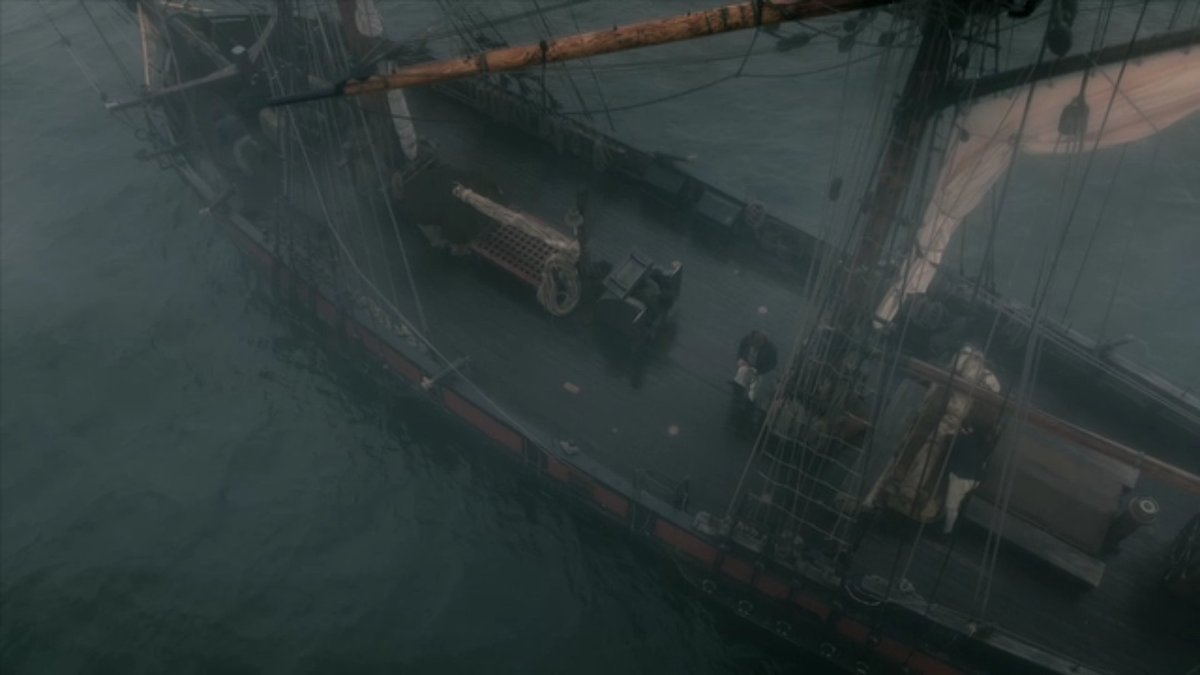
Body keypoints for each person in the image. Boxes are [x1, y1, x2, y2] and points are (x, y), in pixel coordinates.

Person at [941, 423, 990, 535]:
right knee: (954, 502)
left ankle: (946, 532)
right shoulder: (981, 442)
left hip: (960, 477)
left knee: (951, 506)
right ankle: (946, 525)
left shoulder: (963, 439)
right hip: (974, 479)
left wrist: (954, 433)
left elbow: (949, 441)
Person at [734, 330, 778, 403]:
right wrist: (740, 358)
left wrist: (760, 371)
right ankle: (737, 392)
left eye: (756, 345)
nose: (754, 346)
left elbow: (772, 364)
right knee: (741, 376)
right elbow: (742, 346)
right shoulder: (748, 338)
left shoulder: (772, 349)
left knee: (753, 389)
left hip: (759, 369)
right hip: (746, 363)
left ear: (762, 342)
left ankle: (750, 401)